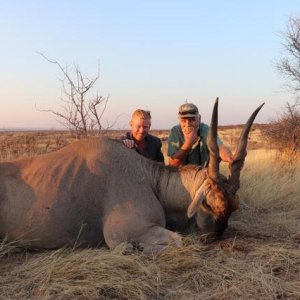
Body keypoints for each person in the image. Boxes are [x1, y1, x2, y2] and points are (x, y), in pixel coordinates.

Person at [168, 102, 233, 167]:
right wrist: (188, 144)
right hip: (181, 176)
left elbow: (220, 147)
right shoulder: (175, 132)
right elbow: (172, 164)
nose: (187, 125)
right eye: (183, 121)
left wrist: (229, 158)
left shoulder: (206, 130)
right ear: (179, 121)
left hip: (204, 174)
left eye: (192, 120)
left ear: (199, 119)